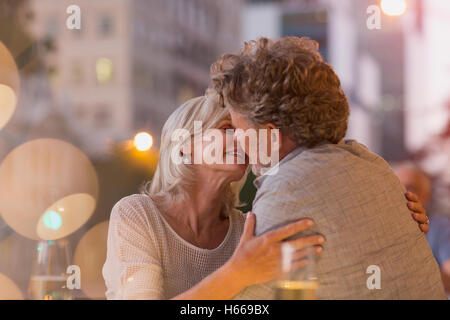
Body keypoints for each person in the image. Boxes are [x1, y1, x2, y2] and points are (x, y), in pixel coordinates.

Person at [102, 96, 427, 299]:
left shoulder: (250, 228)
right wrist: (237, 273)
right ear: (184, 144)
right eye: (226, 128)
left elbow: (332, 244)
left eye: (242, 130)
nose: (242, 139)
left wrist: (395, 215)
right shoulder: (137, 215)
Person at [209, 36, 446, 299]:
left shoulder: (287, 191)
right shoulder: (373, 165)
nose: (238, 143)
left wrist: (233, 273)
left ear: (269, 136)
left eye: (239, 130)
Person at [395, 162, 450, 296]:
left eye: (410, 187)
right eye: (395, 185)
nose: (401, 192)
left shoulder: (440, 227)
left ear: (426, 195)